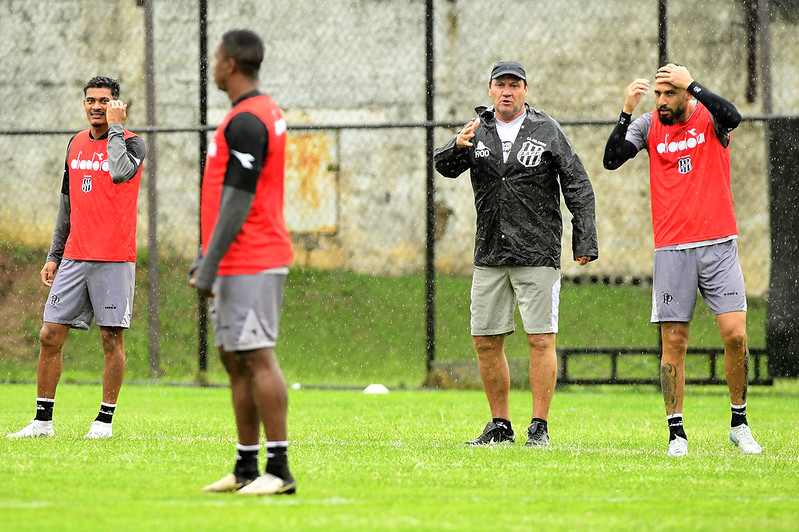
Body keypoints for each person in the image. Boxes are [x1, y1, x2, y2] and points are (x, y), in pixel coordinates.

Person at [434, 60, 598, 447]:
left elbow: (578, 184)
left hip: (536, 251)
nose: (507, 91)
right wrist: (455, 146)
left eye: (514, 85)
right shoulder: (477, 130)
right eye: (500, 84)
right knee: (486, 340)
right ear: (490, 90)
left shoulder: (546, 130)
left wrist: (585, 240)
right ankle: (500, 426)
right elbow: (444, 166)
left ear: (526, 90)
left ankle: (538, 427)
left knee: (541, 339)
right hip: (490, 251)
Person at [603, 63, 762, 456]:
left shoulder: (710, 117)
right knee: (674, 341)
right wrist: (626, 111)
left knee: (735, 335)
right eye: (657, 94)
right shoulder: (647, 125)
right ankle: (677, 434)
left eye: (668, 93)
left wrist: (691, 82)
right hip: (672, 249)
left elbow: (735, 117)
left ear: (686, 93)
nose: (660, 101)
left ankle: (739, 424)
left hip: (718, 243)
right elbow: (611, 159)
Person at [7, 76, 146, 440]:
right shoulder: (75, 144)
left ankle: (103, 422)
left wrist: (116, 128)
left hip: (114, 258)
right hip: (74, 257)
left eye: (104, 100)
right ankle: (42, 422)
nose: (96, 106)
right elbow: (66, 206)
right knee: (50, 334)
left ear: (117, 104)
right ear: (83, 103)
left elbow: (118, 172)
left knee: (110, 339)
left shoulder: (133, 145)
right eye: (90, 100)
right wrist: (55, 254)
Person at [190, 29, 296, 496]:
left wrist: (207, 263)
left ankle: (280, 469)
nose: (212, 66)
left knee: (257, 356)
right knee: (234, 360)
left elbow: (237, 199)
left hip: (252, 256)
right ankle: (247, 467)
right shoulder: (253, 114)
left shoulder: (248, 120)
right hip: (237, 259)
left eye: (216, 59)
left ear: (230, 64)